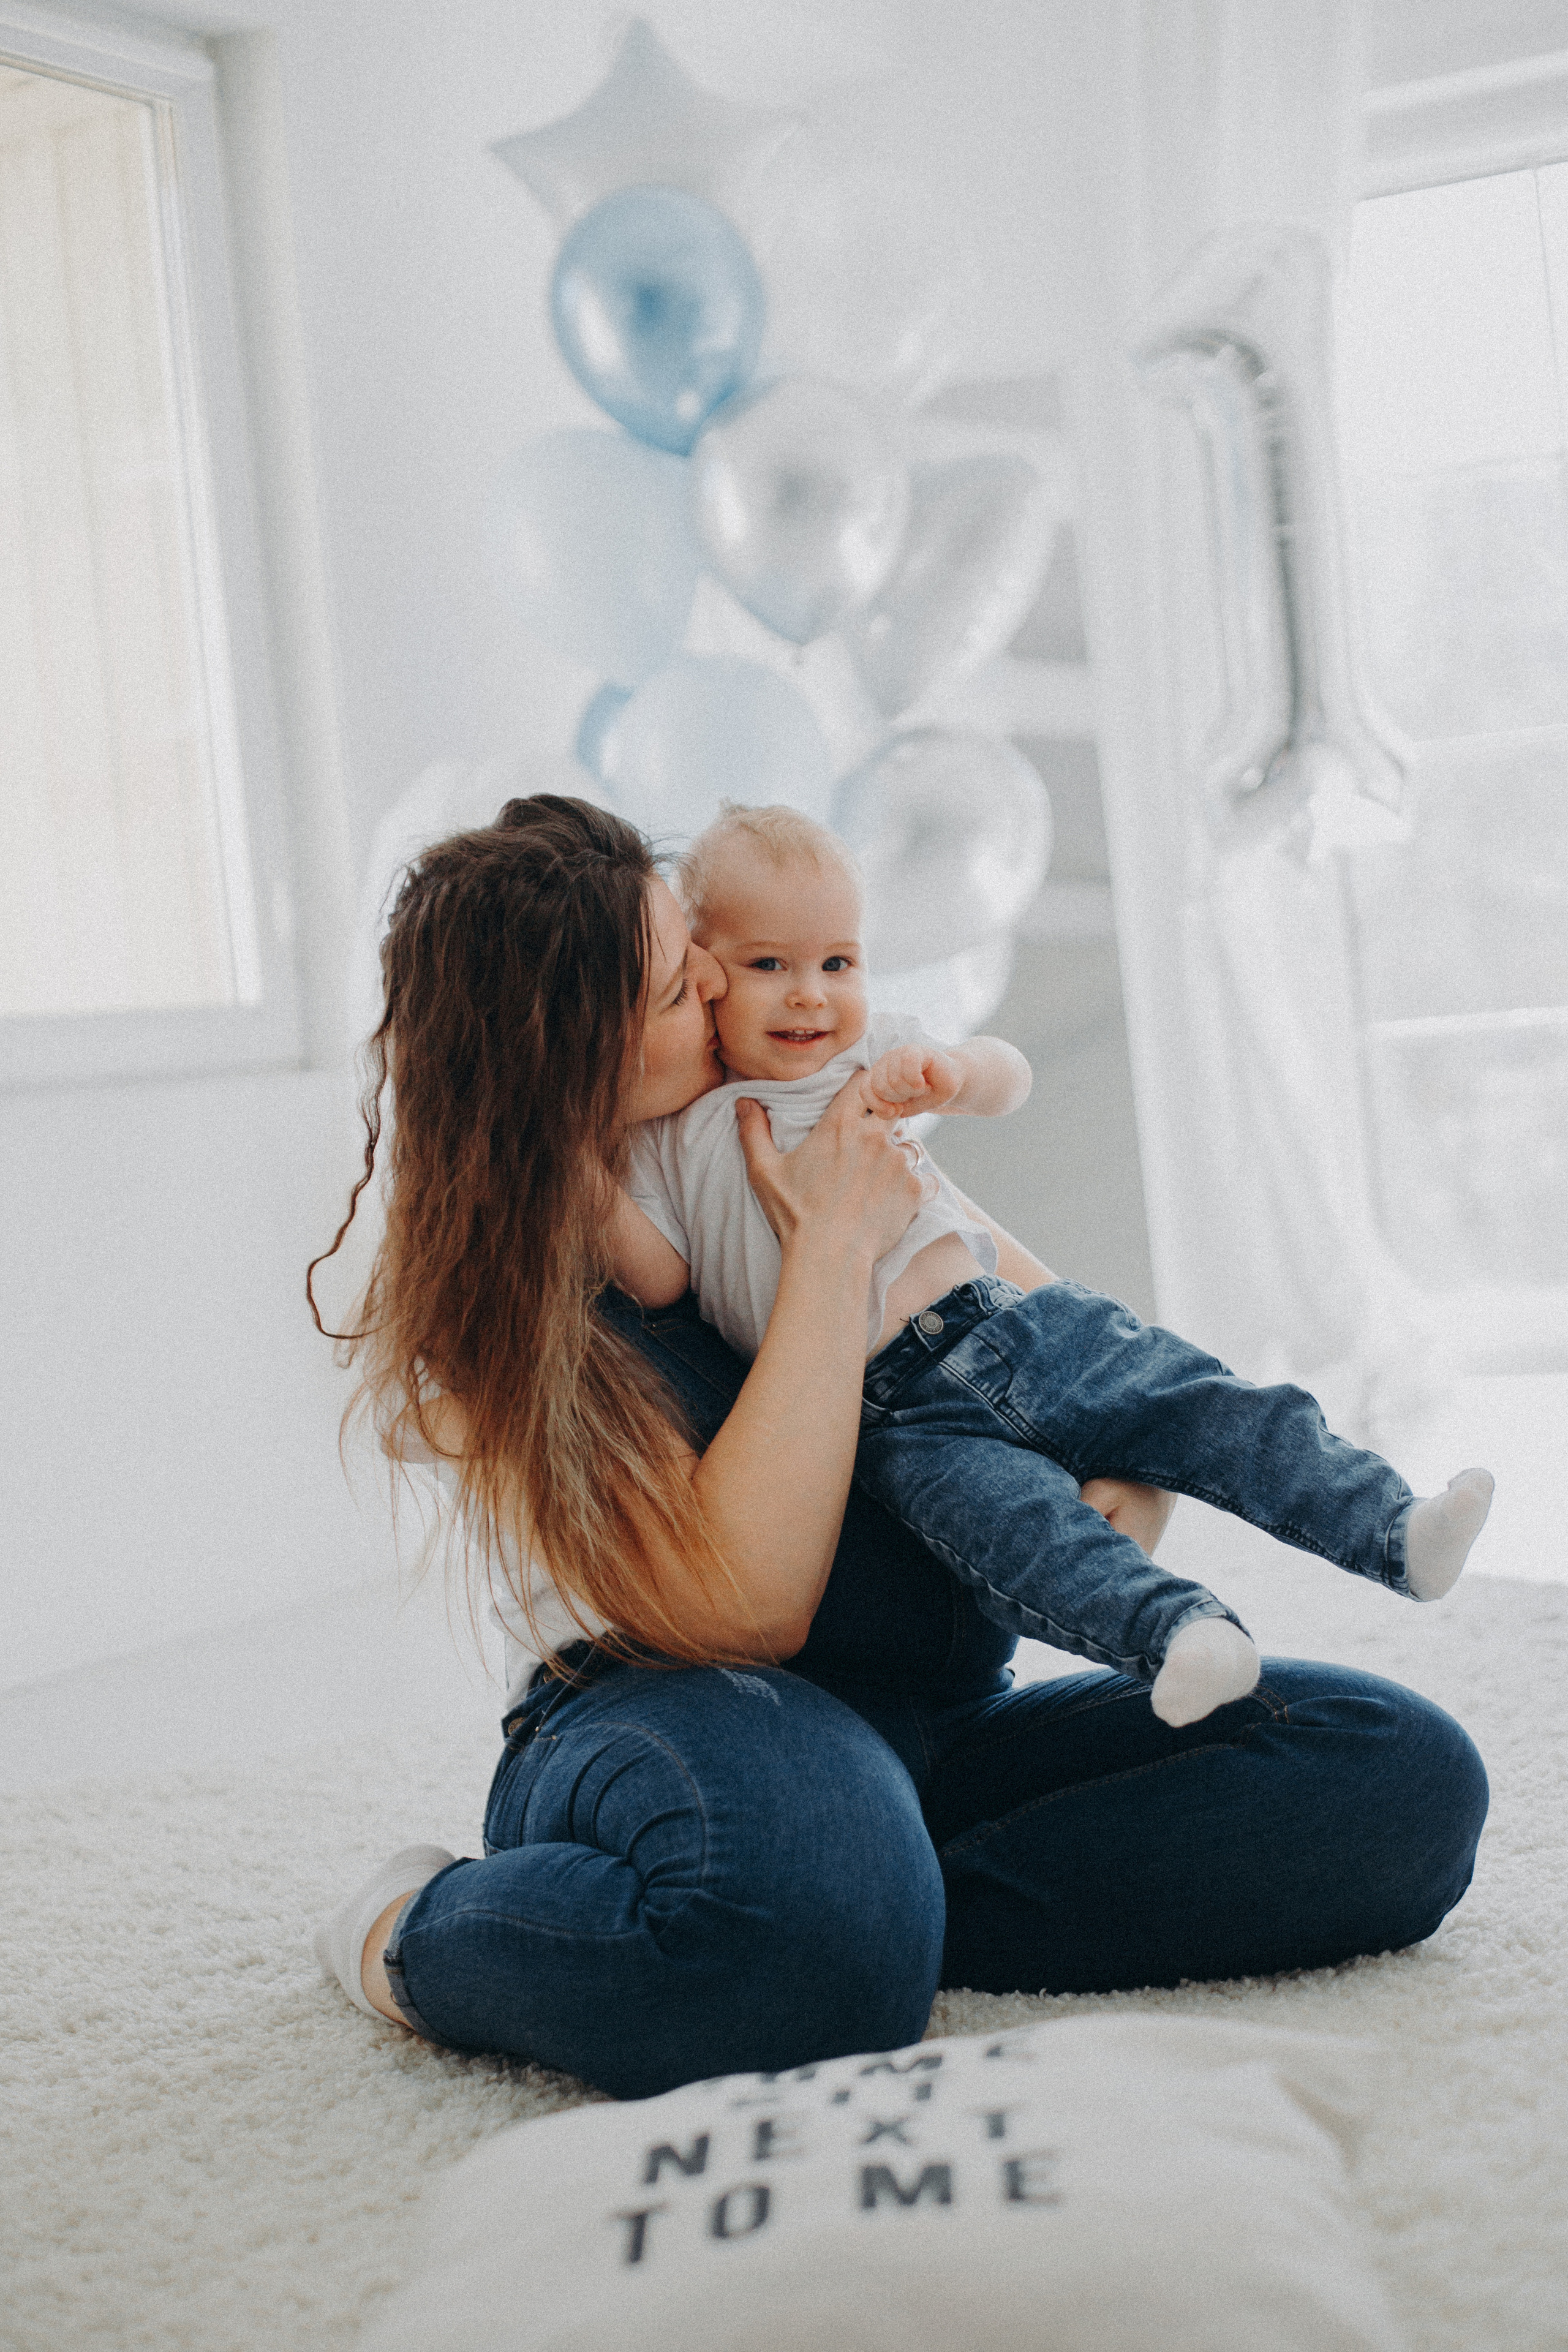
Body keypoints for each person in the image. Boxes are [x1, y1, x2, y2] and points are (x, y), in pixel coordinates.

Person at [309, 792, 1488, 2103]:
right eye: (669, 987)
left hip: (928, 1731)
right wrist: (826, 1256)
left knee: (1395, 1778)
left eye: (694, 947)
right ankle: (414, 1935)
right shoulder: (541, 1295)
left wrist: (1113, 1500)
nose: (717, 978)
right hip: (678, 1721)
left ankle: (864, 1906)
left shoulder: (804, 1126)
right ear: (570, 1058)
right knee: (806, 1957)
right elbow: (744, 1609)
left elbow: (1059, 1351)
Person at [612, 803, 1495, 1730]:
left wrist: (957, 1073)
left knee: (1205, 1405)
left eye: (838, 963)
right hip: (895, 1418)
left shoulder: (872, 1054)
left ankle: (1391, 1526)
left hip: (1015, 1322)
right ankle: (1182, 1634)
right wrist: (580, 1178)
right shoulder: (672, 1140)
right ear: (706, 972)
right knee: (1029, 1541)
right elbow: (662, 1276)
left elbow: (1008, 1076)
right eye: (768, 967)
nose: (810, 995)